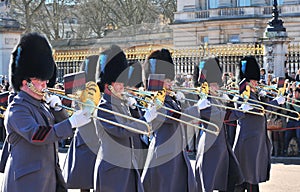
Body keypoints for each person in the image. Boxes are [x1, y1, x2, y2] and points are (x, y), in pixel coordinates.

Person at [2, 32, 91, 192]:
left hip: (48, 176)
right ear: (25, 82)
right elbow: (38, 135)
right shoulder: (17, 108)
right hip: (26, 181)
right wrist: (71, 122)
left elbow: (62, 128)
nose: (45, 84)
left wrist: (58, 109)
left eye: (45, 80)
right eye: (40, 80)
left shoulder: (41, 104)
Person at [93, 44, 157, 192]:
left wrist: (135, 109)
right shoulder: (104, 107)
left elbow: (133, 127)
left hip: (127, 166)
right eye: (120, 83)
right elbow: (122, 131)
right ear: (108, 85)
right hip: (113, 170)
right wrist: (145, 119)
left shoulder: (120, 104)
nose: (123, 86)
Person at [141, 48, 199, 192]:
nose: (170, 84)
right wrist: (197, 109)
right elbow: (173, 116)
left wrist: (180, 101)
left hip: (176, 152)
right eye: (167, 81)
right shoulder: (154, 101)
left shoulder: (170, 98)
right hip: (164, 154)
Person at [230, 56, 286, 192]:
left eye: (256, 81)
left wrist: (266, 96)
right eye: (253, 81)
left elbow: (261, 105)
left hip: (255, 140)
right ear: (246, 81)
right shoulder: (242, 96)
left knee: (250, 178)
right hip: (248, 141)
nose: (256, 83)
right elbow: (260, 109)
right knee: (248, 178)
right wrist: (276, 102)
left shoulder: (253, 95)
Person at [194, 57, 244, 192]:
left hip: (221, 145)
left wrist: (233, 104)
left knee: (229, 179)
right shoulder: (205, 102)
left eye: (217, 84)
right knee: (209, 182)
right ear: (206, 86)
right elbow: (220, 116)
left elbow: (227, 115)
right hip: (210, 146)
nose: (217, 87)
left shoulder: (216, 99)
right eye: (213, 85)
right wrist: (235, 108)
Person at [63, 55, 101, 192]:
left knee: (86, 181)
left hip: (84, 135)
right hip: (90, 135)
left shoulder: (83, 88)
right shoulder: (90, 88)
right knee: (90, 179)